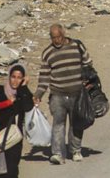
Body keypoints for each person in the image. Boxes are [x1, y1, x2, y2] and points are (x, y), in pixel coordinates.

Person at [34, 24, 93, 164]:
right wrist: (39, 94)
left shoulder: (77, 46)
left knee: (76, 123)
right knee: (58, 125)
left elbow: (88, 63)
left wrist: (89, 81)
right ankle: (58, 154)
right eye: (53, 38)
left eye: (58, 37)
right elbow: (44, 76)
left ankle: (76, 151)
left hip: (77, 93)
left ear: (64, 34)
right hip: (57, 94)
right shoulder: (48, 53)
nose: (56, 41)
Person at [0, 65, 34, 178]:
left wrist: (24, 87)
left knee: (12, 169)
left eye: (19, 77)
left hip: (14, 136)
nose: (15, 80)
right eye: (13, 77)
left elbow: (28, 107)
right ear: (9, 77)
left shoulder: (23, 93)